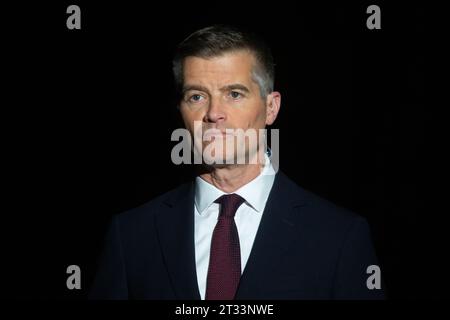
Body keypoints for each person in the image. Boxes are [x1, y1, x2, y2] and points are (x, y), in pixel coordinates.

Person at [89, 25, 385, 300]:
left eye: (234, 94)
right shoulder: (131, 235)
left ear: (271, 108)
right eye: (196, 96)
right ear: (180, 110)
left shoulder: (339, 236)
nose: (214, 113)